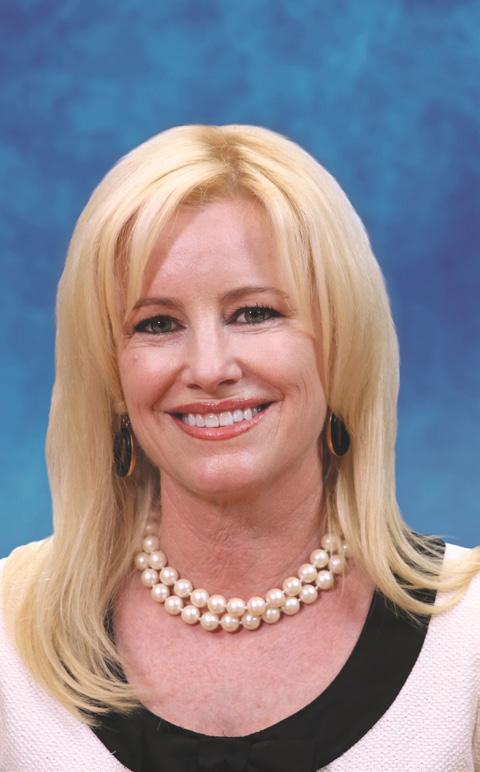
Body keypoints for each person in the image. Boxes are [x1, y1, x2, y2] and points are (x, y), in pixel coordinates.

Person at [0, 124, 479, 772]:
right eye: (157, 323)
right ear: (110, 375)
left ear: (341, 343)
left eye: (254, 313)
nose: (209, 368)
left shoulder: (468, 636)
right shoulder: (9, 636)